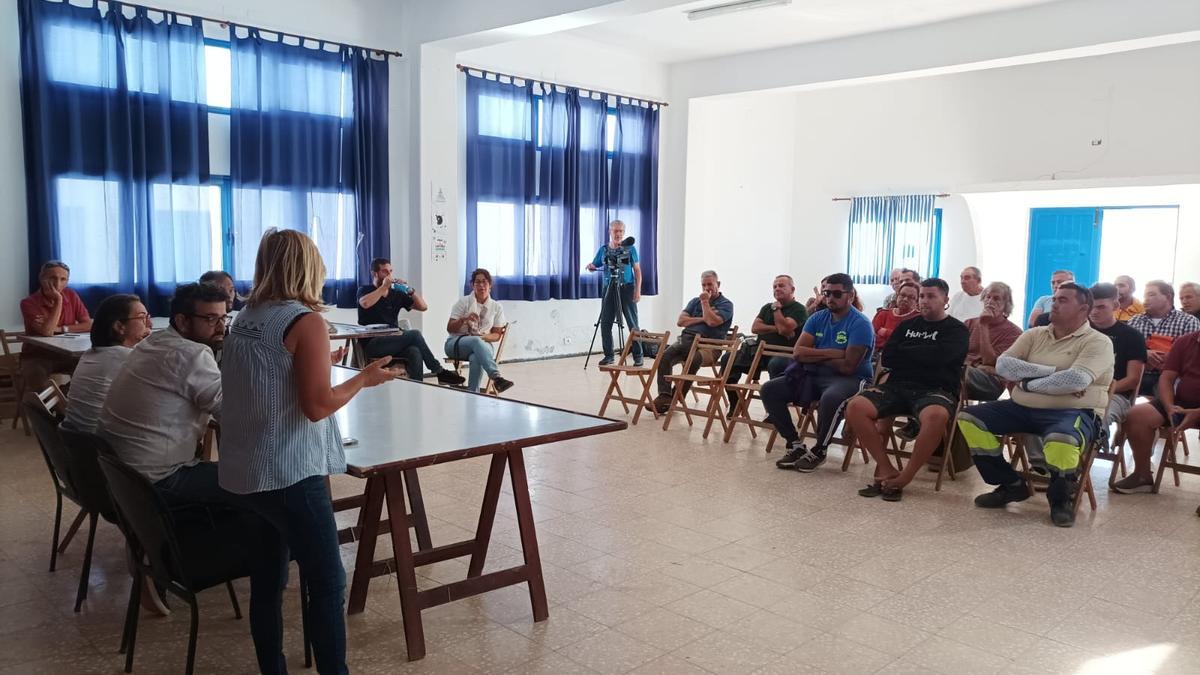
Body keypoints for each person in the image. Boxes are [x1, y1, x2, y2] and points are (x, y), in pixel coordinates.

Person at [219, 230, 399, 674]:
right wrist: (363, 379)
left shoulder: (246, 315)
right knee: (327, 581)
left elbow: (273, 379)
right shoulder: (306, 321)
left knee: (268, 580)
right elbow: (317, 406)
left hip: (245, 470)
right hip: (289, 473)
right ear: (308, 267)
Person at [958, 283, 1114, 527]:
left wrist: (1028, 383)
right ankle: (1011, 484)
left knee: (1062, 439)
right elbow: (1003, 366)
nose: (1054, 303)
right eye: (1054, 298)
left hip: (1073, 411)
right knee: (969, 418)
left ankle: (1061, 498)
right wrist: (1055, 373)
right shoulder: (1034, 334)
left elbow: (1077, 379)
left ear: (1083, 308)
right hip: (1022, 408)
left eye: (1062, 300)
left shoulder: (1098, 342)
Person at [845, 278, 969, 499]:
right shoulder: (906, 326)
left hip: (936, 389)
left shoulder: (957, 330)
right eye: (922, 296)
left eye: (931, 296)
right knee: (856, 406)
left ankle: (905, 476)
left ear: (945, 300)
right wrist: (927, 352)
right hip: (898, 385)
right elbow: (890, 356)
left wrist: (910, 351)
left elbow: (943, 359)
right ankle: (886, 468)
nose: (924, 301)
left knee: (937, 415)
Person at [764, 273, 874, 473]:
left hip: (852, 378)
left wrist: (813, 354)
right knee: (770, 389)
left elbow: (849, 366)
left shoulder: (860, 324)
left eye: (837, 293)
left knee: (831, 398)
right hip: (816, 374)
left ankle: (820, 449)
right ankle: (795, 445)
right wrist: (835, 353)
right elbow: (798, 353)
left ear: (850, 295)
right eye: (827, 293)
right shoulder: (817, 318)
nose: (830, 297)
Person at [1115, 330, 1200, 494]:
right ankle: (1142, 475)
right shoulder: (1185, 341)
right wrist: (1169, 406)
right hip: (1181, 402)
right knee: (1136, 415)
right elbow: (1167, 377)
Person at [356, 258, 465, 385]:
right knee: (415, 334)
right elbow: (365, 303)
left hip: (393, 340)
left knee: (415, 351)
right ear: (375, 274)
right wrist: (384, 286)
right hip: (373, 343)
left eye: (390, 271)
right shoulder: (364, 290)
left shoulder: (396, 294)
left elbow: (423, 307)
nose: (389, 275)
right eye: (385, 272)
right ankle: (439, 371)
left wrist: (409, 290)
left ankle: (416, 389)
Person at [1083, 283, 1147, 493]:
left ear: (1116, 305)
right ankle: (1047, 465)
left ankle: (1075, 472)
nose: (1094, 312)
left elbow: (1132, 380)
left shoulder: (1131, 336)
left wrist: (1102, 390)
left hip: (1115, 395)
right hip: (1077, 390)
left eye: (1101, 307)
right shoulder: (1081, 331)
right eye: (1091, 306)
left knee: (1095, 417)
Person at [62, 294, 153, 434]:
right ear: (119, 326)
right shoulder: (129, 358)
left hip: (77, 442)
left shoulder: (90, 354)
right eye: (142, 318)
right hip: (103, 447)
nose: (149, 324)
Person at [722, 275, 807, 412]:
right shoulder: (767, 307)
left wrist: (777, 311)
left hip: (784, 353)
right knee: (728, 358)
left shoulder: (799, 309)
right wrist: (777, 328)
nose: (777, 289)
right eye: (775, 286)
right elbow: (755, 327)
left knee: (776, 364)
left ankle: (775, 410)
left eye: (781, 286)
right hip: (759, 352)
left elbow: (785, 328)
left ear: (792, 289)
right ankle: (735, 404)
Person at [653, 270, 734, 413]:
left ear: (718, 284)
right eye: (704, 285)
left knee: (694, 359)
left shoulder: (726, 304)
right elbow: (681, 321)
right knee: (664, 357)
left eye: (710, 284)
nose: (707, 288)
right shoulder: (694, 301)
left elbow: (712, 321)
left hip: (709, 346)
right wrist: (702, 318)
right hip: (687, 340)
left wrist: (704, 303)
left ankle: (676, 397)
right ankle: (665, 396)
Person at [19, 260, 94, 388]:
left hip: (67, 353)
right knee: (37, 380)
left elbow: (89, 324)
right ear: (42, 278)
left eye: (63, 279)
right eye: (52, 278)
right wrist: (59, 299)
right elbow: (47, 332)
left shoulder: (71, 295)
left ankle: (64, 399)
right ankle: (41, 406)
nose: (57, 284)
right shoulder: (28, 302)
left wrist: (61, 328)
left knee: (90, 372)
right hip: (36, 355)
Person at [445, 268, 513, 393]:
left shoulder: (496, 307)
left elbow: (496, 335)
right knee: (476, 342)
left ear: (490, 284)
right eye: (478, 282)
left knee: (476, 357)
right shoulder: (463, 302)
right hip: (456, 343)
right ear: (472, 285)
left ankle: (473, 394)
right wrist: (463, 319)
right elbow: (449, 328)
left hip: (483, 344)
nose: (481, 285)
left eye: (485, 282)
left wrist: (481, 338)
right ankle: (496, 377)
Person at [1127, 280, 1200, 397]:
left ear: (1168, 297)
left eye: (1151, 295)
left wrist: (1169, 360)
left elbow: (1192, 358)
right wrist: (1143, 354)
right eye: (1145, 295)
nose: (1146, 299)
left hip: (1170, 377)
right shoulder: (1134, 321)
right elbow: (1124, 350)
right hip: (1137, 374)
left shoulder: (1188, 321)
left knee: (1167, 399)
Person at [586, 220, 643, 366]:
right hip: (609, 288)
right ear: (610, 232)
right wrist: (591, 266)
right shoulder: (604, 249)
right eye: (615, 231)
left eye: (621, 231)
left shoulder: (630, 249)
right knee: (605, 323)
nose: (618, 234)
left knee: (632, 323)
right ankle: (609, 355)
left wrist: (638, 291)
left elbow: (637, 270)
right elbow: (595, 264)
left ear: (624, 232)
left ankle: (638, 356)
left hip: (627, 288)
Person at [962, 282, 1023, 401]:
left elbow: (990, 362)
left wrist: (984, 325)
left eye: (996, 298)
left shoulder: (1014, 332)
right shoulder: (969, 323)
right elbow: (956, 353)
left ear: (1006, 305)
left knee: (955, 372)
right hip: (965, 370)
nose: (990, 301)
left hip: (991, 381)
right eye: (987, 297)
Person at [871, 281, 919, 354]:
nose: (905, 299)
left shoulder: (918, 318)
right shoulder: (883, 314)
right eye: (902, 295)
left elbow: (911, 344)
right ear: (897, 296)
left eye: (911, 297)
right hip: (878, 356)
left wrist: (886, 332)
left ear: (917, 302)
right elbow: (872, 339)